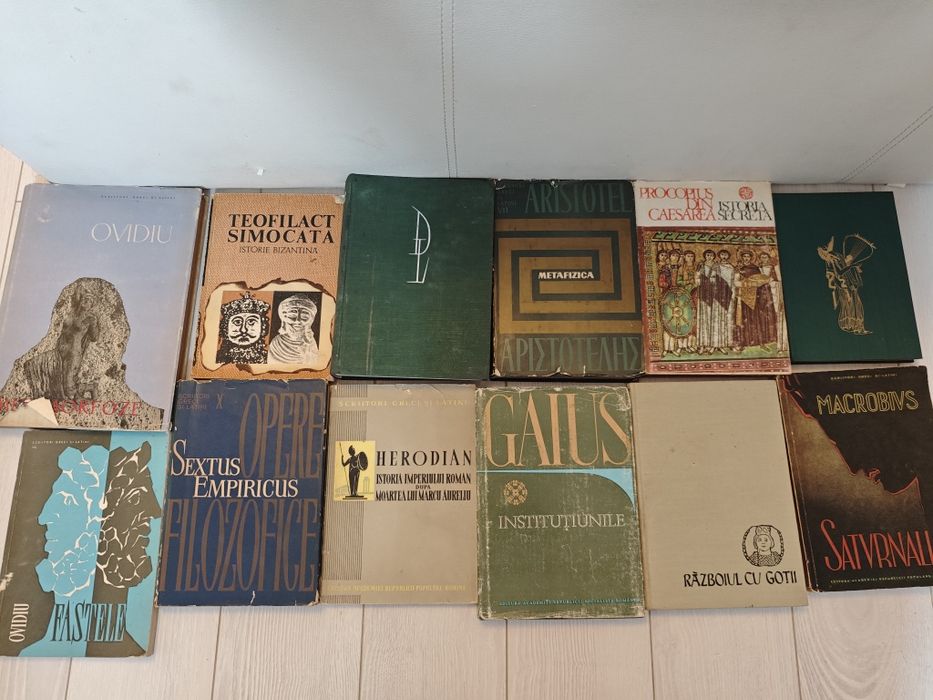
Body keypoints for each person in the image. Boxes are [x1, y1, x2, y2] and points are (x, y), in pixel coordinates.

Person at [732, 249, 777, 351]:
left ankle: (760, 342)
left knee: (757, 319)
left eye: (748, 256)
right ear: (741, 257)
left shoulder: (755, 268)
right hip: (744, 297)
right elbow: (736, 283)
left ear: (751, 258)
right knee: (743, 319)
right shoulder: (738, 268)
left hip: (756, 297)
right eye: (744, 256)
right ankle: (743, 343)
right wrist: (747, 283)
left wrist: (758, 284)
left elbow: (761, 280)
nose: (746, 258)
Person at [694, 249, 733, 353]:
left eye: (711, 255)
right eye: (707, 255)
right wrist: (699, 279)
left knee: (714, 319)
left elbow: (717, 280)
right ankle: (703, 344)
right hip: (703, 294)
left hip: (714, 296)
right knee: (704, 319)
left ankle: (715, 344)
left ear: (714, 256)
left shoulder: (716, 266)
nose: (709, 257)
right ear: (705, 256)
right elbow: (697, 279)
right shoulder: (701, 265)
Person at [216, 292, 269, 364]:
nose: (243, 330)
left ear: (262, 327)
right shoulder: (218, 359)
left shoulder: (268, 359)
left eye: (251, 321)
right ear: (226, 327)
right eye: (237, 322)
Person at [269, 295, 319, 365]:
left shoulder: (311, 344)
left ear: (311, 320)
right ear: (284, 317)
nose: (298, 320)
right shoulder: (276, 344)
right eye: (292, 314)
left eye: (304, 316)